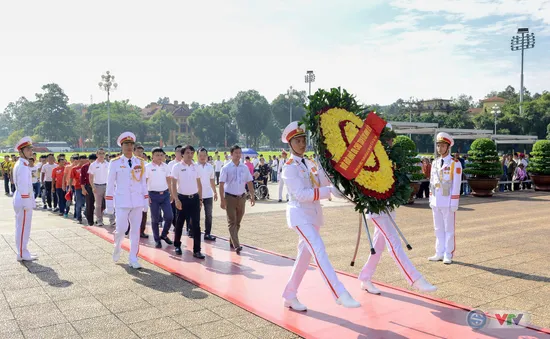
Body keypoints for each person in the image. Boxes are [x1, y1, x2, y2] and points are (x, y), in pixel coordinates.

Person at [281, 122, 360, 311]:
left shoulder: (311, 163)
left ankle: (289, 295)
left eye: (303, 140)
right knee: (318, 248)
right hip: (299, 214)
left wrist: (341, 187)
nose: (302, 144)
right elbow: (301, 194)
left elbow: (325, 182)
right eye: (297, 141)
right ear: (290, 144)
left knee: (304, 257)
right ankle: (340, 293)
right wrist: (328, 191)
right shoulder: (289, 167)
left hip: (313, 216)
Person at [105, 132, 148, 269]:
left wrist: (146, 200)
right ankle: (117, 246)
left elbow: (143, 183)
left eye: (131, 144)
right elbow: (110, 184)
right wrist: (109, 204)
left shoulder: (140, 162)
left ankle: (133, 258)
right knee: (121, 229)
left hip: (137, 201)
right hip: (122, 201)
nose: (129, 147)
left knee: (135, 231)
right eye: (126, 144)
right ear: (121, 146)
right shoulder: (115, 162)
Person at [428, 132, 462, 265]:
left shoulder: (455, 163)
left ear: (448, 147)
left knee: (449, 229)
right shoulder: (435, 162)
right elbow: (432, 181)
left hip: (448, 201)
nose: (440, 149)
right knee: (438, 228)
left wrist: (454, 202)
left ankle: (448, 253)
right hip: (436, 200)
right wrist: (431, 199)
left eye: (442, 146)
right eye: (438, 146)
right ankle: (439, 252)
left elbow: (456, 184)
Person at [170, 145, 205, 259]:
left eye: (192, 153)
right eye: (187, 153)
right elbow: (173, 184)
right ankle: (177, 245)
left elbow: (199, 184)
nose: (190, 155)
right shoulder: (177, 167)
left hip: (194, 199)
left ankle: (197, 250)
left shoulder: (196, 167)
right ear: (182, 154)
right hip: (182, 199)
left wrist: (200, 198)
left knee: (196, 225)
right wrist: (176, 199)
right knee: (179, 223)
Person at [219, 145, 255, 254]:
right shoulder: (226, 168)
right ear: (231, 154)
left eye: (240, 153)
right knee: (232, 221)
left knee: (238, 222)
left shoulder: (244, 167)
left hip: (242, 197)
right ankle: (236, 245)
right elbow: (221, 184)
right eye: (236, 153)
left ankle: (232, 239)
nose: (238, 155)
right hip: (230, 197)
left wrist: (252, 195)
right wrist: (222, 199)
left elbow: (249, 182)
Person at [12, 137, 37, 261]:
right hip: (23, 199)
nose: (30, 152)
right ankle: (22, 253)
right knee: (23, 228)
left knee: (22, 227)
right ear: (21, 152)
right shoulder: (22, 166)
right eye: (28, 150)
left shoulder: (23, 164)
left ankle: (23, 251)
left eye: (31, 149)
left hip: (21, 198)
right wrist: (27, 202)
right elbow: (23, 187)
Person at [145, 147, 173, 248]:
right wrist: (146, 196)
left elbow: (168, 180)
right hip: (153, 195)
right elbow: (144, 182)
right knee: (155, 219)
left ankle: (164, 234)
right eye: (157, 155)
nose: (159, 157)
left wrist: (171, 193)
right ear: (152, 156)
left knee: (169, 217)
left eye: (161, 155)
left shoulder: (165, 166)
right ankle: (157, 239)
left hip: (165, 194)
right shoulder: (148, 167)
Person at [197, 148, 218, 241]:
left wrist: (215, 192)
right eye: (200, 155)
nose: (202, 157)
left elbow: (212, 180)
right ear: (197, 156)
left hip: (208, 195)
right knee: (196, 215)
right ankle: (194, 231)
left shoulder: (210, 167)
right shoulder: (194, 167)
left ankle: (207, 233)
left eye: (204, 155)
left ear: (207, 156)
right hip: (197, 195)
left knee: (209, 215)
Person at [88, 148, 112, 226]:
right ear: (97, 155)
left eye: (103, 153)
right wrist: (93, 187)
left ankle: (112, 220)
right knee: (98, 205)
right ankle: (99, 220)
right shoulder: (93, 165)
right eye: (100, 153)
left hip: (107, 186)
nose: (101, 155)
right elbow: (90, 177)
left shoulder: (108, 164)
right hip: (97, 186)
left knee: (109, 203)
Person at [81, 154, 95, 226]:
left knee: (102, 204)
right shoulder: (85, 167)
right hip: (88, 187)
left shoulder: (99, 166)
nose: (92, 161)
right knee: (90, 204)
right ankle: (90, 220)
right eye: (91, 160)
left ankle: (88, 213)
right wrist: (83, 189)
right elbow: (82, 179)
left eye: (94, 160)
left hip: (98, 186)